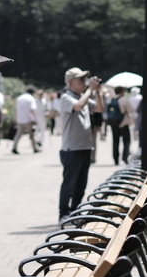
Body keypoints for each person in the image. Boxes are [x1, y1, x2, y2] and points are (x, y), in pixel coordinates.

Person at [57, 68, 102, 221]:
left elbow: (99, 109)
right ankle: (63, 213)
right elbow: (78, 106)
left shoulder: (83, 96)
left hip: (85, 147)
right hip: (72, 148)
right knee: (69, 184)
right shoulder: (66, 97)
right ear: (70, 82)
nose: (84, 82)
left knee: (81, 185)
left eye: (85, 79)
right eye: (81, 80)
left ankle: (75, 212)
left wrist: (97, 92)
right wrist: (90, 90)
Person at [106, 86, 132, 165]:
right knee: (126, 141)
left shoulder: (112, 99)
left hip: (113, 123)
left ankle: (116, 159)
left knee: (115, 141)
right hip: (123, 123)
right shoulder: (124, 99)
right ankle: (125, 156)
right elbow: (130, 110)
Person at [12, 87, 39, 154]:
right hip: (28, 119)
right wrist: (35, 119)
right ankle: (35, 148)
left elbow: (16, 109)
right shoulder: (31, 98)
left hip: (20, 119)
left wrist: (15, 118)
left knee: (18, 134)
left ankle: (14, 147)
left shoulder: (20, 98)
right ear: (32, 93)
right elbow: (32, 110)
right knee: (32, 135)